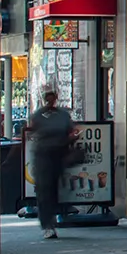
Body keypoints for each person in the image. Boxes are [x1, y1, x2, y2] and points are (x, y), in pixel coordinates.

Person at [28, 86, 74, 239]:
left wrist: (69, 140)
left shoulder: (62, 115)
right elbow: (31, 131)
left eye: (51, 96)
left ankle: (51, 219)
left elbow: (71, 132)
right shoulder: (39, 115)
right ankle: (47, 223)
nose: (49, 100)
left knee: (53, 190)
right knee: (44, 190)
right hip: (43, 157)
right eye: (47, 96)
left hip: (58, 156)